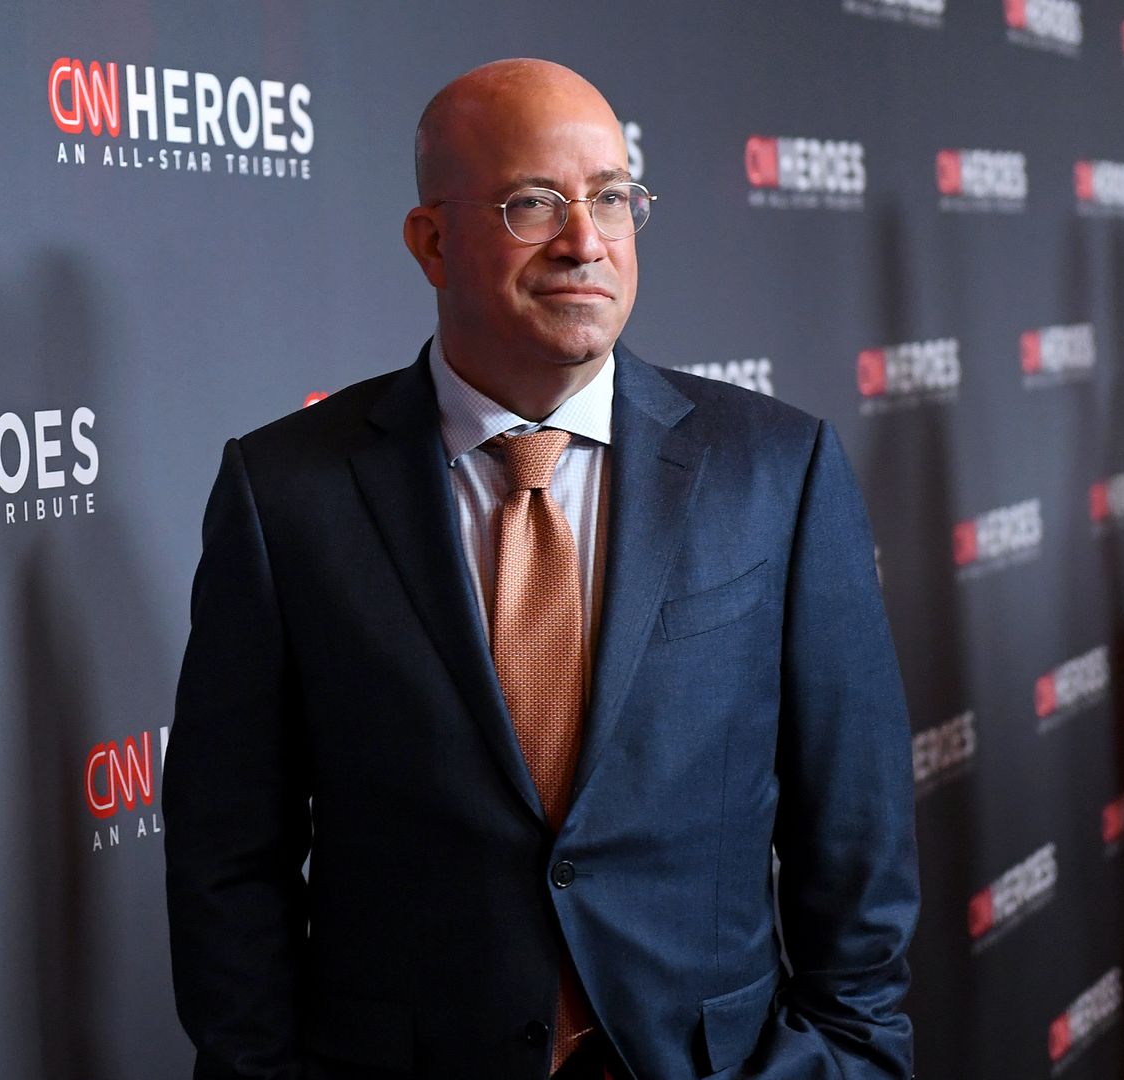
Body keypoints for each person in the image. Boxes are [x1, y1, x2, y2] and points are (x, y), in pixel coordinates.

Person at [162, 58, 918, 1080]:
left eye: (611, 198)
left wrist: (852, 1061)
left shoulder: (778, 468)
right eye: (533, 203)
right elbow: (227, 855)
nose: (585, 241)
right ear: (431, 242)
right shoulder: (286, 492)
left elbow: (858, 834)